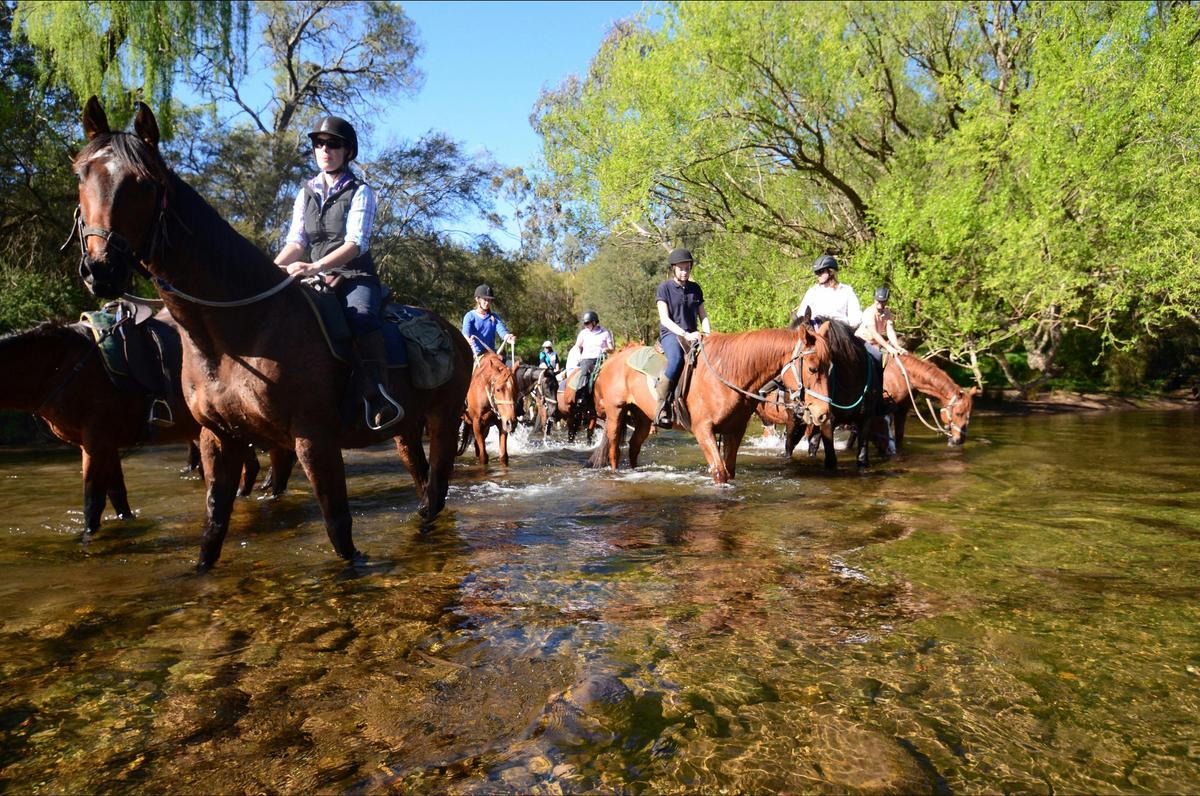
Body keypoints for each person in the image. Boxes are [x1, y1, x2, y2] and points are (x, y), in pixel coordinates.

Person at [275, 115, 402, 431]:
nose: (325, 149)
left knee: (360, 317)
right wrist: (271, 270)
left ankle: (378, 395)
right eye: (319, 143)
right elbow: (297, 240)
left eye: (333, 144)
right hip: (313, 275)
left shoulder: (361, 192)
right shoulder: (305, 192)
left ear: (348, 151)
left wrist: (315, 266)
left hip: (354, 277)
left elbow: (356, 243)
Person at [654, 248, 711, 428]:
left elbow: (703, 315)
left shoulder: (695, 288)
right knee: (677, 359)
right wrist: (685, 334)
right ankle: (662, 406)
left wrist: (709, 334)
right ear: (673, 269)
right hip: (671, 334)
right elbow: (664, 319)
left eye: (687, 268)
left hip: (694, 334)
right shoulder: (664, 288)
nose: (685, 271)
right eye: (681, 268)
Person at [794, 254, 862, 329]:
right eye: (816, 272)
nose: (818, 275)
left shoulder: (846, 291)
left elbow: (856, 319)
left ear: (831, 271)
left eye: (821, 271)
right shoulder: (812, 292)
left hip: (840, 332)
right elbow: (801, 315)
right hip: (817, 331)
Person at [572, 311, 614, 408]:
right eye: (585, 323)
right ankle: (580, 397)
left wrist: (607, 349)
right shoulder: (583, 333)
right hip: (587, 358)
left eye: (587, 323)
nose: (585, 325)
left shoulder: (605, 333)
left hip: (601, 358)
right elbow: (577, 346)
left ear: (594, 322)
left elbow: (612, 349)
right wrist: (579, 356)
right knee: (584, 373)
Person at [461, 283, 515, 360]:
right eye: (485, 300)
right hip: (476, 355)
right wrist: (468, 340)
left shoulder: (494, 317)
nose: (487, 303)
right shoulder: (469, 316)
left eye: (489, 300)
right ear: (477, 299)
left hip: (491, 355)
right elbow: (465, 333)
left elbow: (502, 331)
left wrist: (508, 337)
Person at [856, 286, 906, 357]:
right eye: (878, 300)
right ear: (874, 299)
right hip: (861, 342)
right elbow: (874, 333)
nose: (880, 303)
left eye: (882, 301)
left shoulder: (887, 313)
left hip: (874, 343)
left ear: (886, 301)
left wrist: (897, 346)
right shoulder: (869, 312)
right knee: (878, 356)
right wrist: (888, 347)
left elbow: (890, 330)